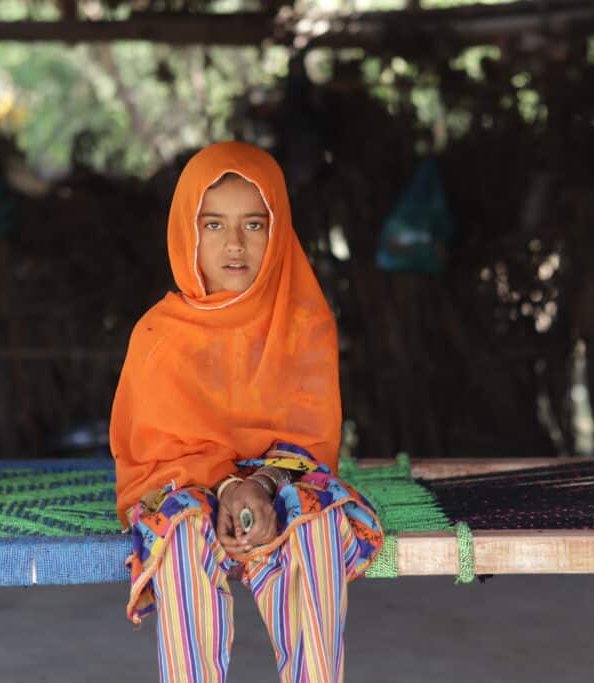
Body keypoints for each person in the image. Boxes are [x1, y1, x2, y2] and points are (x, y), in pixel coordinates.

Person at [110, 141, 383, 683]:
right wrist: (225, 490)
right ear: (188, 232)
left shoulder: (304, 324)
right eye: (213, 225)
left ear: (277, 232)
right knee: (184, 530)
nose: (234, 244)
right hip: (184, 490)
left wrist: (258, 483)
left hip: (277, 480)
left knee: (318, 521)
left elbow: (312, 449)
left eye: (254, 225)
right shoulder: (158, 337)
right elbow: (153, 463)